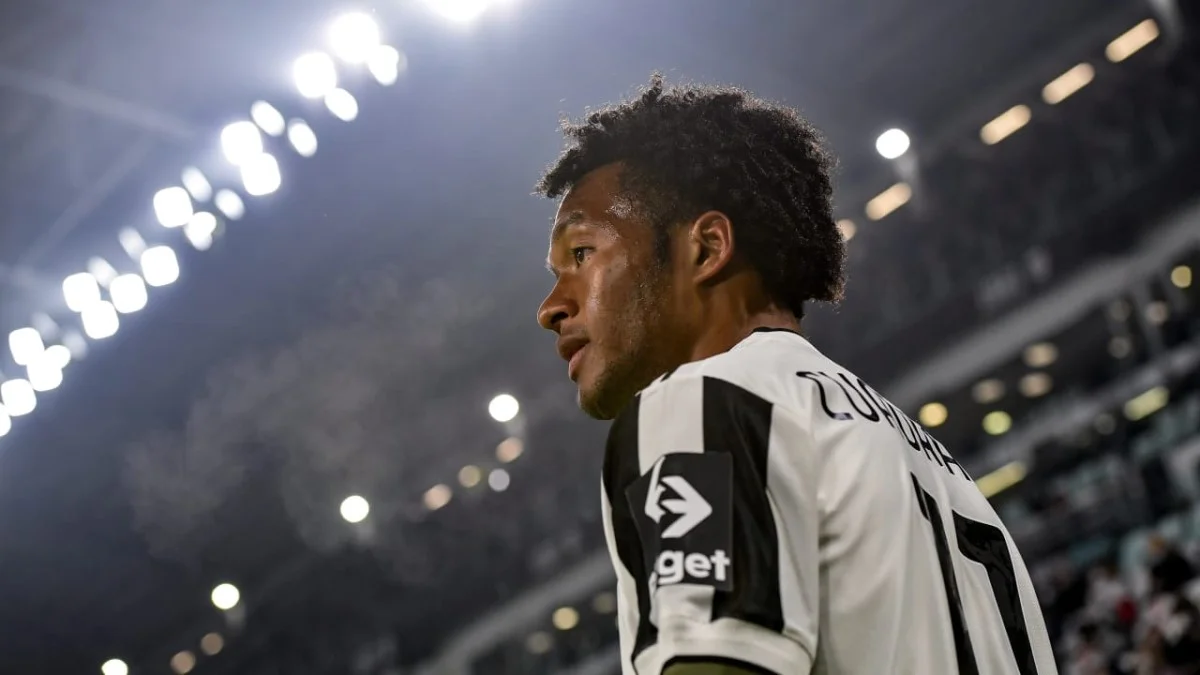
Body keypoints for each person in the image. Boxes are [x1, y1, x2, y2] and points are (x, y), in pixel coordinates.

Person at [535, 75, 1058, 675]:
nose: (550, 308)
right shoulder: (933, 464)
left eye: (581, 255)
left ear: (706, 248)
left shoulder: (703, 404)